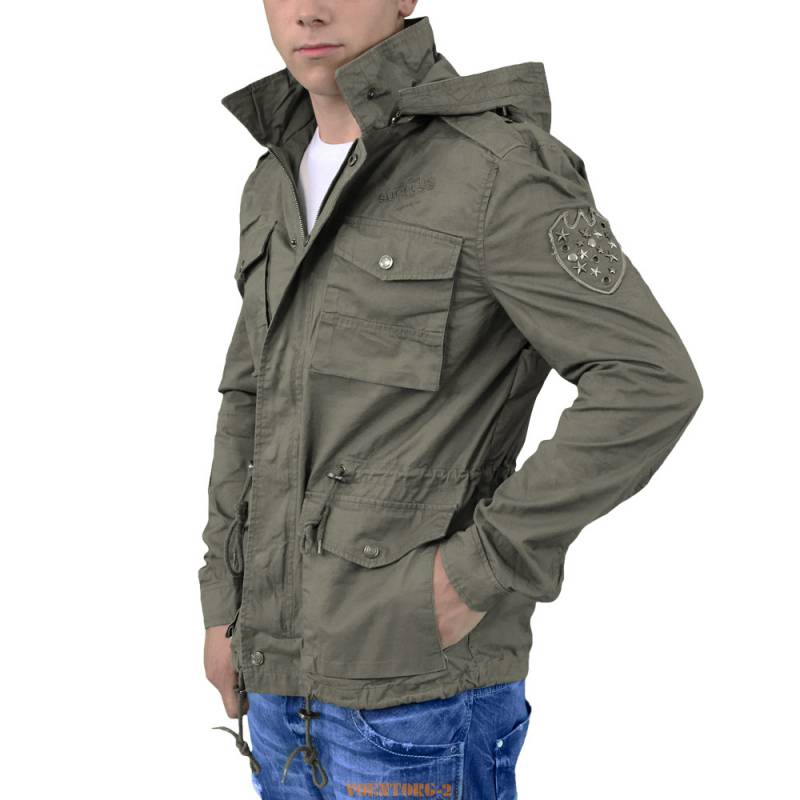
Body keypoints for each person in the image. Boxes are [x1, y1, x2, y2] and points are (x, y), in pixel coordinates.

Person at [199, 2, 704, 797]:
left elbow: (647, 379)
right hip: (273, 683)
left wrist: (478, 571)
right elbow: (249, 397)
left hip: (418, 697)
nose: (309, 10)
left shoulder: (496, 169)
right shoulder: (274, 178)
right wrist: (222, 602)